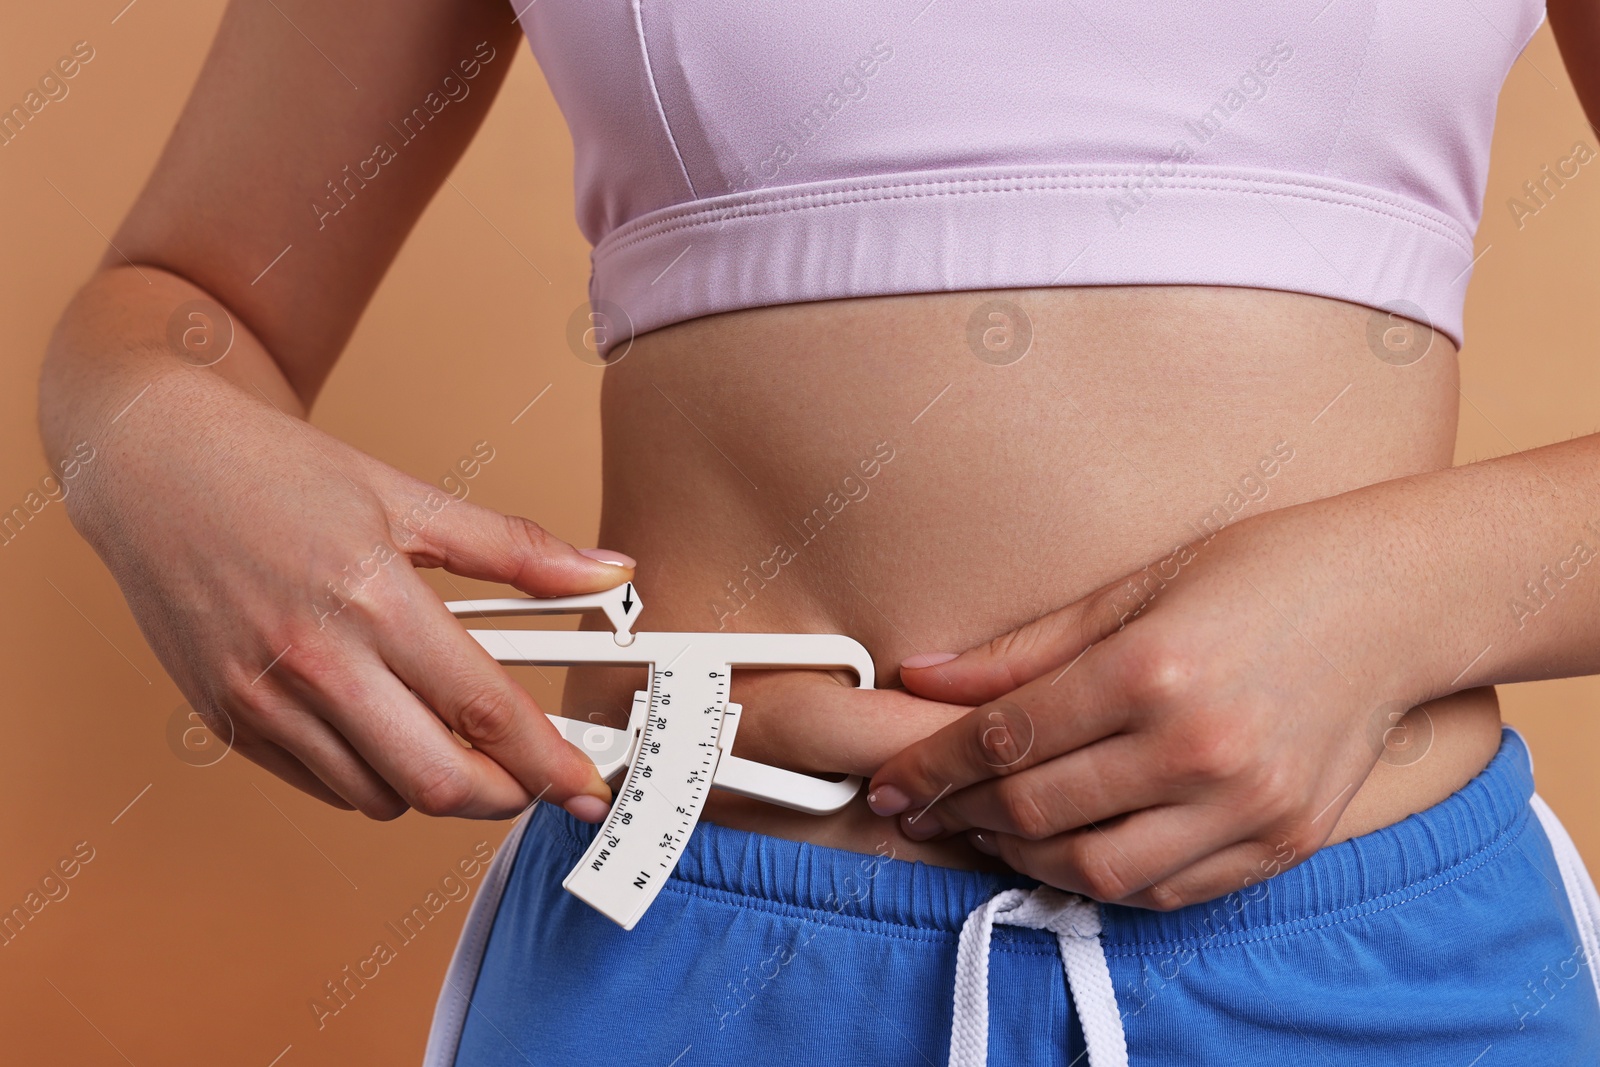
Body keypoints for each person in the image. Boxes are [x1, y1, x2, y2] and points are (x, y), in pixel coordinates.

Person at [36, 1, 1600, 1063]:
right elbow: (174, 309)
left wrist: (1387, 602)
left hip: (1388, 982)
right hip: (688, 964)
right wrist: (154, 447)